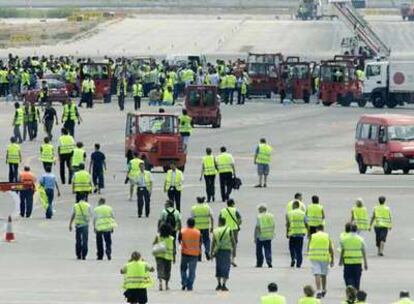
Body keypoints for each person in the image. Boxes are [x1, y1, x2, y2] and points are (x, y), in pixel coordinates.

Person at [308, 225, 334, 299]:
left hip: (314, 257)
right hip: (324, 257)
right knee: (323, 274)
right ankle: (324, 289)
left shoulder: (313, 236)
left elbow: (309, 246)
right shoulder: (327, 236)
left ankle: (318, 290)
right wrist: (332, 259)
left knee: (317, 274)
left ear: (316, 229)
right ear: (323, 229)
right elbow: (330, 248)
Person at [339, 223, 368, 290]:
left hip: (347, 262)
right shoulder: (360, 239)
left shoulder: (344, 239)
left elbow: (342, 251)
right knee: (357, 278)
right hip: (357, 262)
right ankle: (356, 291)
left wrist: (341, 261)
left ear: (350, 229)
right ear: (356, 230)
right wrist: (366, 263)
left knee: (347, 278)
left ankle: (350, 291)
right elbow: (363, 252)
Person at [211, 217, 235, 291]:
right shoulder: (229, 230)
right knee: (226, 267)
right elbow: (233, 240)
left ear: (219, 222)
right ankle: (224, 284)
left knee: (218, 267)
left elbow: (213, 242)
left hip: (218, 251)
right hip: (226, 250)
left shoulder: (215, 230)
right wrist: (233, 250)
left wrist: (211, 252)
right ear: (225, 222)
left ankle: (218, 284)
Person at [179, 218, 201, 291]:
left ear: (187, 223)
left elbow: (179, 240)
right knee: (192, 271)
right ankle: (190, 285)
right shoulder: (198, 232)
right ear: (194, 224)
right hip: (194, 254)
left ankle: (184, 282)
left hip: (184, 253)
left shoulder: (182, 231)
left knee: (183, 269)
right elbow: (200, 242)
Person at [219, 198, 242, 266]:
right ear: (232, 204)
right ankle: (232, 259)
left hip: (224, 229)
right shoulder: (235, 210)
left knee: (224, 244)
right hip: (234, 229)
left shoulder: (222, 211)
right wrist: (238, 224)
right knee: (234, 244)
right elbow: (240, 219)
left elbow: (220, 220)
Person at [153, 223, 175, 291]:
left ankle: (160, 282)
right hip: (168, 256)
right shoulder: (171, 238)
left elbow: (154, 244)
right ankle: (166, 284)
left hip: (159, 256)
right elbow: (173, 248)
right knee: (167, 270)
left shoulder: (158, 237)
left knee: (160, 269)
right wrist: (174, 257)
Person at [191, 196, 214, 261]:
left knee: (198, 241)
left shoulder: (194, 208)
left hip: (197, 227)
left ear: (197, 201)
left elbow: (192, 219)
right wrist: (212, 226)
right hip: (205, 226)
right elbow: (212, 217)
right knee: (206, 240)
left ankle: (199, 255)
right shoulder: (207, 207)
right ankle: (207, 251)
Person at [286, 200, 307, 268]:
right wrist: (307, 231)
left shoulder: (289, 213)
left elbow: (288, 224)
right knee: (299, 249)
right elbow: (306, 223)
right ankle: (299, 263)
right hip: (300, 234)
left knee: (291, 248)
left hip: (292, 233)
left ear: (294, 206)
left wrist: (287, 232)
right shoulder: (303, 213)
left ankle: (293, 258)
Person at [255, 204, 275, 268]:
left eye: (259, 209)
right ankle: (269, 261)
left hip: (261, 236)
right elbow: (273, 225)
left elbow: (257, 227)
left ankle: (259, 263)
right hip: (269, 235)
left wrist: (255, 236)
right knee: (268, 249)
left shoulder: (259, 216)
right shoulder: (271, 216)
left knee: (259, 251)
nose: (258, 210)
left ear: (262, 209)